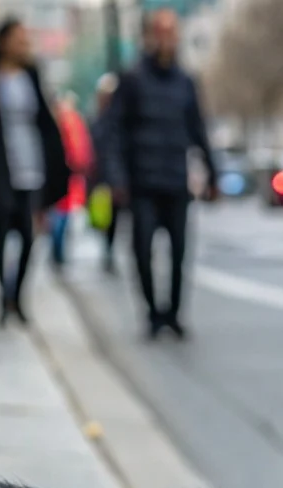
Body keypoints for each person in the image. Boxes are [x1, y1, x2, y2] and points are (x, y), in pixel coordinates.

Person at [107, 7, 217, 339]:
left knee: (180, 251)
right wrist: (116, 178)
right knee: (141, 250)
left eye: (172, 32)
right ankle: (152, 312)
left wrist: (212, 173)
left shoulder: (185, 82)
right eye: (161, 32)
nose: (167, 39)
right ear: (150, 37)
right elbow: (113, 132)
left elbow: (198, 129)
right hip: (142, 182)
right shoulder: (132, 80)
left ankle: (174, 313)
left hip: (175, 179)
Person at [0, 18, 68, 326]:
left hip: (30, 164)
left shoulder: (31, 75)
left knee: (27, 234)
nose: (25, 45)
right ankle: (1, 297)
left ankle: (17, 295)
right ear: (3, 40)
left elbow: (45, 122)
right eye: (19, 39)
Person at [49, 92, 93, 269]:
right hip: (67, 172)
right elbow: (80, 150)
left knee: (61, 210)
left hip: (62, 172)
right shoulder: (71, 121)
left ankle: (58, 251)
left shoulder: (60, 121)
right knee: (63, 212)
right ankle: (58, 251)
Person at [88, 73, 120, 274]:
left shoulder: (119, 121)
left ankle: (109, 251)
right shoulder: (96, 121)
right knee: (102, 220)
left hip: (116, 178)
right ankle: (107, 250)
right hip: (100, 178)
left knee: (116, 219)